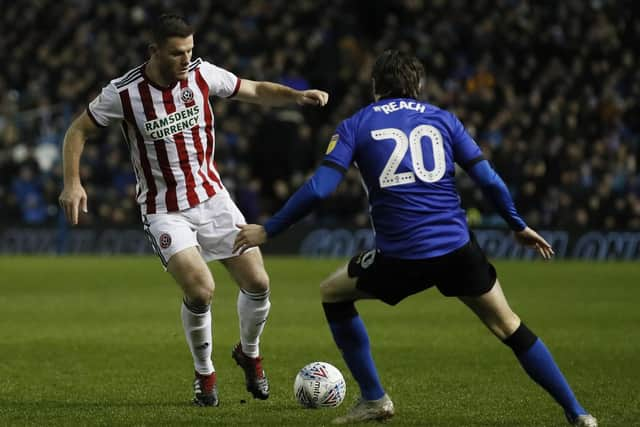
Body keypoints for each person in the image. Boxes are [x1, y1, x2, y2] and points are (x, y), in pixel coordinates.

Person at [234, 50, 597, 426]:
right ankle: (577, 413)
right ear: (417, 87)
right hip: (457, 247)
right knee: (509, 325)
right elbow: (488, 179)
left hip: (402, 255)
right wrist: (517, 225)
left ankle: (374, 397)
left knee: (332, 292)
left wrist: (269, 228)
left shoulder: (355, 125)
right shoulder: (444, 120)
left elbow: (319, 189)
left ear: (375, 86)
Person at [58, 13, 328, 407]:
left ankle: (249, 354)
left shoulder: (202, 75)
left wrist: (296, 96)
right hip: (164, 210)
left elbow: (250, 89)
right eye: (176, 53)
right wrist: (72, 181)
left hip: (213, 199)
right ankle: (205, 374)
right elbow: (77, 130)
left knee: (259, 282)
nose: (186, 59)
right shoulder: (124, 92)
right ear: (154, 51)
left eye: (189, 50)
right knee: (202, 291)